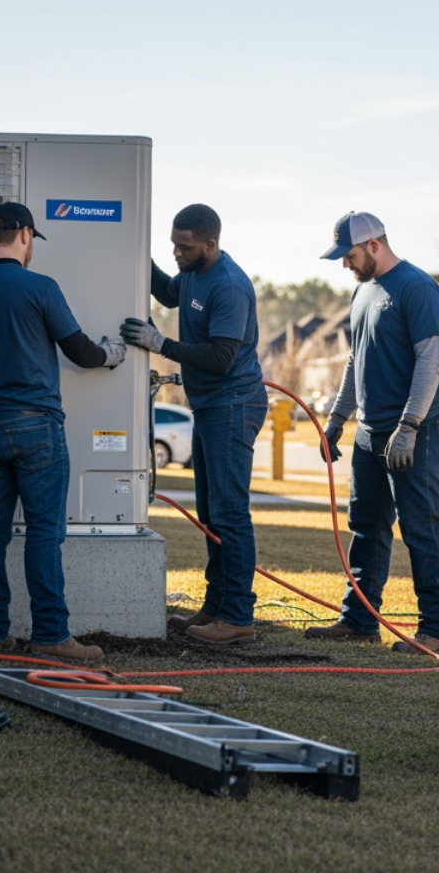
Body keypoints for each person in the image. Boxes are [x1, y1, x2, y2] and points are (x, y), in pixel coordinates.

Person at [0, 202, 126, 661]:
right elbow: (81, 351)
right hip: (37, 427)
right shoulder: (40, 288)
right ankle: (50, 635)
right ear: (24, 235)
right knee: (44, 532)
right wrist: (113, 354)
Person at [307, 211, 439, 655]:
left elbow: (432, 359)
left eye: (349, 255)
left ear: (374, 245)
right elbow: (357, 361)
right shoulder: (362, 292)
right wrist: (336, 421)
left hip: (417, 428)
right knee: (366, 525)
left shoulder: (417, 286)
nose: (345, 264)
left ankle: (438, 629)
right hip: (370, 430)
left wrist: (409, 426)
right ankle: (359, 619)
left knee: (420, 524)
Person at [121, 204, 267, 645]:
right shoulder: (193, 272)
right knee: (210, 514)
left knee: (229, 513)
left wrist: (161, 343)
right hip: (209, 406)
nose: (177, 254)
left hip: (233, 404)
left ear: (210, 243)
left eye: (184, 248)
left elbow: (222, 357)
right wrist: (133, 249)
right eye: (172, 245)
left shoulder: (229, 286)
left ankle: (238, 615)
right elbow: (168, 293)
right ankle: (217, 605)